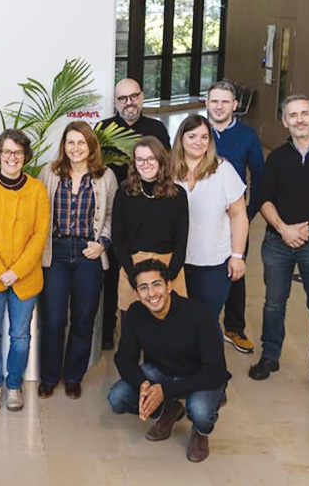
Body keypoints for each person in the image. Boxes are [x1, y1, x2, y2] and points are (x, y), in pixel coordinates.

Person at [250, 95, 309, 397]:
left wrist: (306, 229)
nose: (300, 119)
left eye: (305, 113)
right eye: (293, 115)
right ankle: (270, 357)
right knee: (273, 304)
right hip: (277, 243)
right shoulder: (277, 157)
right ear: (285, 122)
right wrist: (283, 229)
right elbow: (264, 198)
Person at [108, 259, 229, 463]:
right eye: (143, 288)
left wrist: (164, 391)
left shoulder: (199, 315)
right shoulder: (137, 312)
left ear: (169, 285)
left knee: (200, 411)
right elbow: (124, 358)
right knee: (117, 398)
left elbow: (216, 372)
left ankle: (200, 432)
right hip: (162, 375)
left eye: (156, 284)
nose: (152, 294)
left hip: (200, 379)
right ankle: (170, 408)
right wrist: (143, 385)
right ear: (137, 294)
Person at [0, 129, 50, 413]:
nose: (12, 157)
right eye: (7, 152)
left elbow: (40, 235)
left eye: (17, 152)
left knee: (21, 336)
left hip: (26, 278)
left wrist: (16, 271)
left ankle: (14, 386)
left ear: (25, 156)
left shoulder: (37, 190)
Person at [37, 121, 117, 399]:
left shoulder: (105, 177)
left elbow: (110, 217)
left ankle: (73, 376)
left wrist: (102, 244)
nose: (75, 148)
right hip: (55, 253)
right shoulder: (49, 172)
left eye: (81, 142)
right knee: (54, 319)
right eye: (70, 142)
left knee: (83, 319)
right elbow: (38, 214)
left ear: (91, 145)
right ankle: (48, 377)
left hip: (88, 253)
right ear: (64, 145)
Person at [97, 77, 171, 349]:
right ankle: (108, 331)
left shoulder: (156, 129)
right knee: (113, 273)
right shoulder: (103, 129)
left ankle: (149, 331)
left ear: (142, 96)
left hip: (149, 211)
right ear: (115, 103)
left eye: (134, 96)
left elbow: (166, 168)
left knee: (148, 275)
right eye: (123, 99)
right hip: (115, 210)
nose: (129, 103)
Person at [206, 80, 265, 353]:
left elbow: (260, 178)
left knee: (235, 271)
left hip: (234, 219)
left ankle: (234, 327)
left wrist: (247, 214)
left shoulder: (248, 135)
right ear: (207, 103)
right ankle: (201, 326)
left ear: (234, 105)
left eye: (225, 101)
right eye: (214, 101)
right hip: (199, 218)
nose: (219, 106)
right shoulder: (196, 131)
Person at [170, 115, 248, 320]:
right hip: (176, 261)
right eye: (192, 136)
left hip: (213, 264)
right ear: (181, 139)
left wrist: (237, 256)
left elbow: (239, 214)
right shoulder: (168, 172)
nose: (198, 142)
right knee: (177, 320)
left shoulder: (223, 170)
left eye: (204, 137)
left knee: (206, 321)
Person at [111, 136, 189, 313]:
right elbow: (118, 239)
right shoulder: (124, 193)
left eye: (151, 158)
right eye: (140, 159)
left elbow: (181, 240)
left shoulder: (178, 195)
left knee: (171, 330)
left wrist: (168, 278)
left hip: (170, 267)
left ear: (161, 160)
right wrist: (134, 276)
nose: (145, 164)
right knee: (133, 329)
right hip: (133, 267)